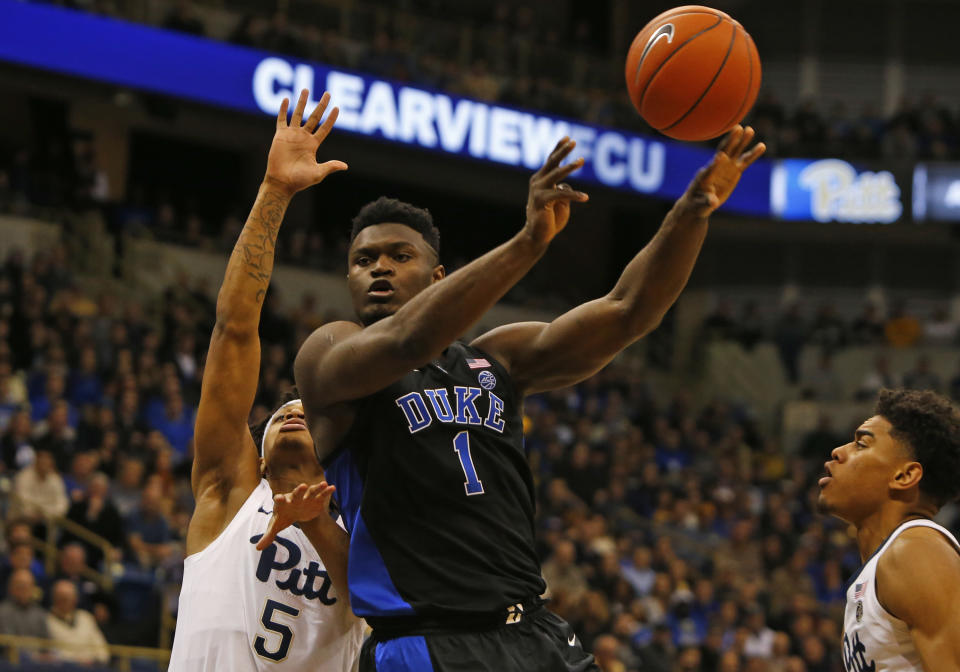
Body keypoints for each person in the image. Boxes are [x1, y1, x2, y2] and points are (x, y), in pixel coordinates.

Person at [287, 105, 764, 671]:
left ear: (437, 276)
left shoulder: (497, 357)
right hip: (427, 640)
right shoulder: (330, 353)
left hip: (534, 632)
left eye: (399, 256)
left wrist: (691, 213)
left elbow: (628, 311)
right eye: (363, 261)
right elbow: (407, 342)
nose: (379, 269)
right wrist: (529, 243)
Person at [168, 91, 363, 670]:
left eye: (308, 410)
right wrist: (275, 194)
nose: (295, 410)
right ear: (255, 452)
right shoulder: (229, 492)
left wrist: (316, 523)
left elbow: (389, 599)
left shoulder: (365, 531)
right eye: (281, 412)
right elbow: (233, 330)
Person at [818, 388, 960, 671]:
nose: (838, 451)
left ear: (904, 476)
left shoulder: (916, 551)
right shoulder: (887, 561)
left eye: (861, 444)